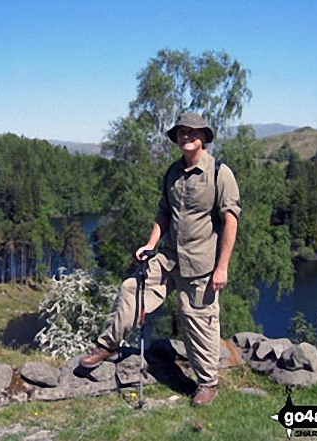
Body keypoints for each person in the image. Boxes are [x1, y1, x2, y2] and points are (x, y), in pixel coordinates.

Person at [79, 113, 241, 407]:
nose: (186, 136)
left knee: (197, 321)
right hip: (168, 258)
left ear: (203, 137)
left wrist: (222, 267)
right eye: (181, 132)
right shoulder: (172, 173)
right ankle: (108, 346)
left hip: (202, 265)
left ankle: (207, 384)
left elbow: (230, 221)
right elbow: (164, 213)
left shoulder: (220, 173)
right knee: (132, 289)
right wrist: (151, 244)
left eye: (192, 132)